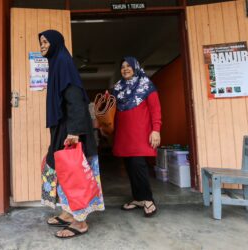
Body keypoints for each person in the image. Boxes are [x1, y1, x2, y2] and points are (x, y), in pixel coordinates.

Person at [39, 30, 104, 239]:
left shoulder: (63, 64)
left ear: (56, 43)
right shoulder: (57, 64)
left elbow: (75, 98)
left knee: (73, 173)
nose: (42, 46)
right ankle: (68, 213)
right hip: (63, 127)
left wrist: (75, 131)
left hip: (71, 128)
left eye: (45, 42)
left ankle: (80, 221)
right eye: (40, 42)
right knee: (59, 167)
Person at [111, 56, 161, 217]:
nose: (125, 69)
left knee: (139, 166)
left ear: (135, 67)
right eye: (122, 66)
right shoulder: (117, 88)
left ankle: (148, 200)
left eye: (128, 66)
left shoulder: (146, 85)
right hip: (124, 134)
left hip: (140, 133)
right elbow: (111, 109)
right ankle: (138, 198)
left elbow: (155, 109)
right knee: (130, 167)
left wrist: (156, 129)